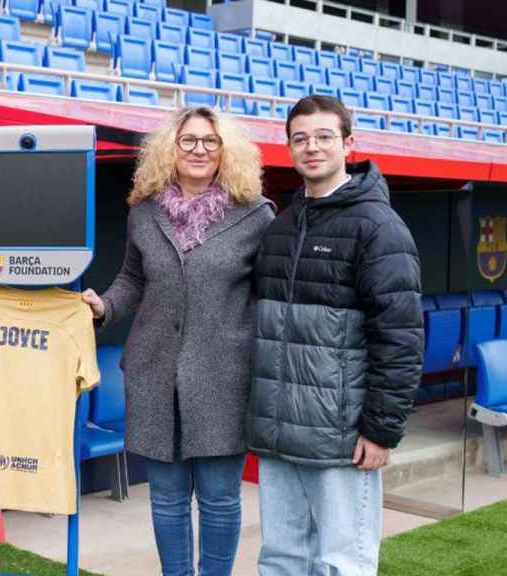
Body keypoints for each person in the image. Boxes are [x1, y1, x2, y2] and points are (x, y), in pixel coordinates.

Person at [82, 106, 274, 576]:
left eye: (210, 142)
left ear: (227, 151)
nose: (199, 150)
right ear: (171, 147)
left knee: (220, 500)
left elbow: (267, 296)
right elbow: (132, 278)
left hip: (224, 378)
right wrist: (104, 306)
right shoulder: (144, 211)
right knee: (166, 500)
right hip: (154, 373)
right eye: (188, 140)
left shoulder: (257, 215)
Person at [247, 95, 424, 575]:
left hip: (341, 436)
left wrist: (381, 429)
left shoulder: (379, 226)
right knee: (281, 560)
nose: (312, 147)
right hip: (279, 431)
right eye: (300, 138)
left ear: (349, 143)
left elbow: (400, 337)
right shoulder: (280, 226)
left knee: (343, 564)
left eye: (324, 136)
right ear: (288, 148)